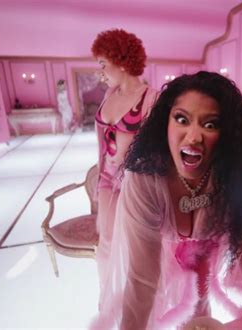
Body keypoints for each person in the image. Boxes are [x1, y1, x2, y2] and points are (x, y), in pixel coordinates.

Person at [92, 71, 242, 329]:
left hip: (206, 257)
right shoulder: (145, 179)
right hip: (157, 256)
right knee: (154, 307)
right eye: (181, 119)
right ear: (164, 123)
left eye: (210, 124)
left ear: (227, 135)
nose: (193, 136)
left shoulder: (237, 176)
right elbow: (141, 278)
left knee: (201, 310)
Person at [90, 28, 158, 306]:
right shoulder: (109, 94)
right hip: (107, 181)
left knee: (135, 247)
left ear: (121, 61)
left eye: (103, 64)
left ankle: (136, 300)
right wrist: (98, 181)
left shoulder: (152, 98)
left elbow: (158, 152)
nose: (100, 72)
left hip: (135, 186)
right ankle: (108, 301)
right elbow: (101, 146)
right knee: (106, 242)